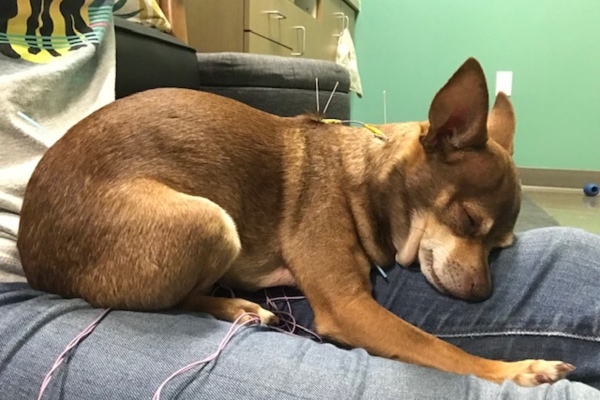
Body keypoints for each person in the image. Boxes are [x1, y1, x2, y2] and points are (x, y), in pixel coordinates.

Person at [1, 3, 599, 399]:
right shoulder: (319, 183)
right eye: (467, 224)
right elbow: (343, 313)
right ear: (443, 130)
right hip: (61, 266)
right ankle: (197, 299)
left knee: (583, 264)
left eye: (488, 245)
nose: (478, 270)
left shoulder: (355, 182)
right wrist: (489, 373)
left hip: (115, 231)